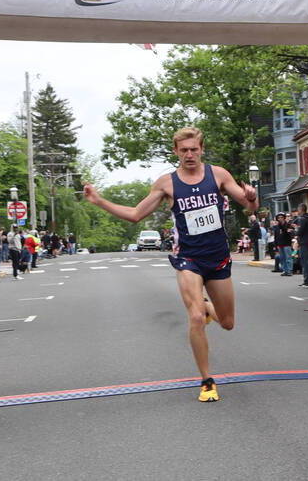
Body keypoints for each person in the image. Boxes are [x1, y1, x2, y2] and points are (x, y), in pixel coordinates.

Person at [84, 127, 258, 402]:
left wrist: (252, 196)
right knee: (196, 317)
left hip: (218, 256)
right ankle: (207, 381)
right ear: (176, 151)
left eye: (194, 149)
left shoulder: (219, 174)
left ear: (201, 149)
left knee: (227, 323)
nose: (189, 154)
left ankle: (211, 309)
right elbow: (135, 215)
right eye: (184, 150)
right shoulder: (166, 183)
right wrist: (99, 201)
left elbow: (249, 206)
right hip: (188, 258)